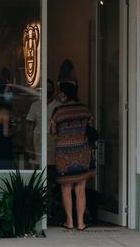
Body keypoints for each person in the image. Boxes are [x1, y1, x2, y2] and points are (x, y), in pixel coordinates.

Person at [49, 81, 94, 231]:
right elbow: (90, 127)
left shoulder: (58, 111)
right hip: (82, 152)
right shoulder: (84, 109)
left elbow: (52, 131)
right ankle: (81, 223)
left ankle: (69, 221)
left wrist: (53, 123)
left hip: (64, 154)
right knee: (80, 189)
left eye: (61, 92)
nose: (59, 95)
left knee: (66, 188)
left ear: (65, 94)